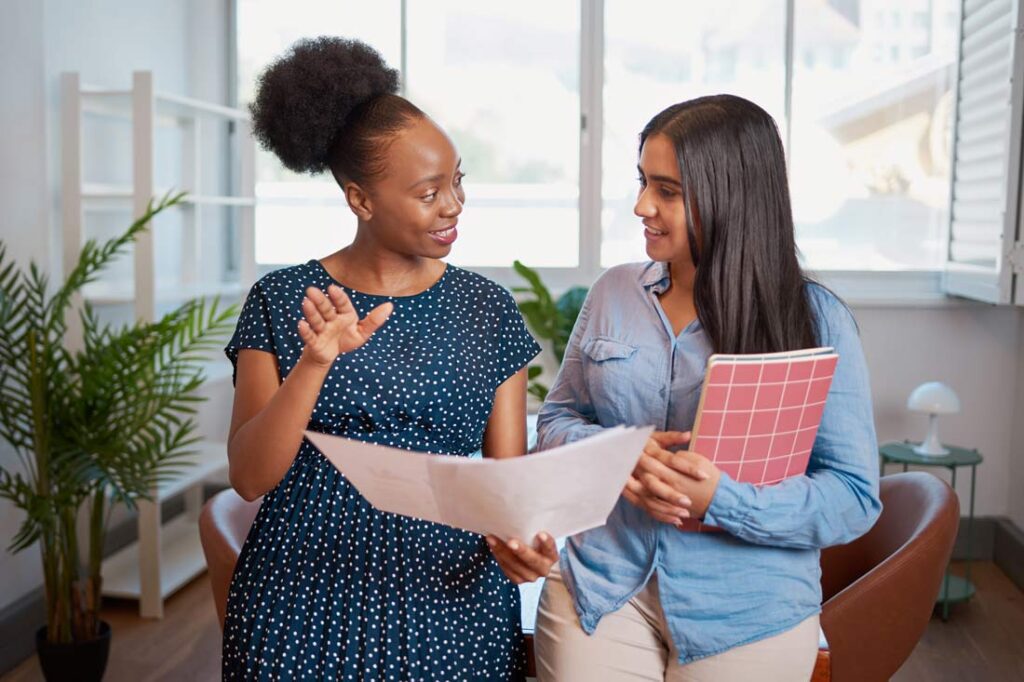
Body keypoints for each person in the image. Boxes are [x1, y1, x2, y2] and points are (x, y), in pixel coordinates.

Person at [222, 37, 555, 681]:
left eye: (457, 182)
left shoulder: (487, 309)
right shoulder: (283, 299)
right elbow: (250, 477)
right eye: (429, 192)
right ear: (361, 200)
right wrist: (314, 364)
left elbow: (505, 487)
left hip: (453, 601)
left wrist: (520, 541)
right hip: (303, 598)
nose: (453, 205)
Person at [532, 95, 882, 681]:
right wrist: (613, 454)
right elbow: (556, 423)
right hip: (604, 587)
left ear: (731, 195)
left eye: (667, 191)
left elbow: (852, 495)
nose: (642, 205)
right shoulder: (612, 294)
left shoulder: (815, 321)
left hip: (750, 609)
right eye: (643, 181)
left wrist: (721, 500)